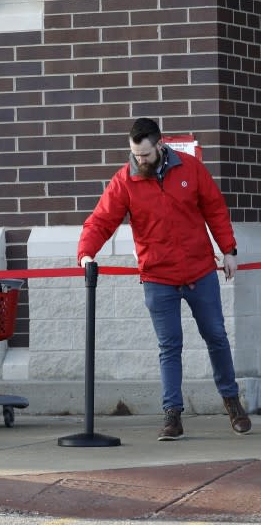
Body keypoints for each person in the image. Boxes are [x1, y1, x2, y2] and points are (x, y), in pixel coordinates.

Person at [77, 117, 251, 441]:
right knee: (169, 346)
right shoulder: (125, 180)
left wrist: (229, 249)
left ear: (160, 145)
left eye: (144, 154)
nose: (138, 161)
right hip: (158, 276)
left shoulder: (190, 168)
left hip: (199, 271)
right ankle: (172, 415)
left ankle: (232, 403)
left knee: (216, 335)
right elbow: (100, 221)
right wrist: (86, 254)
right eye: (134, 154)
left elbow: (215, 208)